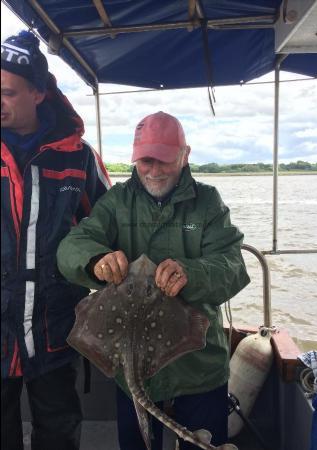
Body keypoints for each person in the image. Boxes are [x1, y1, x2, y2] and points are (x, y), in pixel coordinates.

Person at [57, 111, 250, 450]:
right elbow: (73, 245)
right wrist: (95, 261)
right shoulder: (117, 201)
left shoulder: (208, 203)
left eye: (164, 160)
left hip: (198, 363)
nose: (154, 170)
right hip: (129, 363)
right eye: (145, 160)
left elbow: (233, 264)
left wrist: (193, 272)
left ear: (185, 155)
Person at [1, 30, 111, 450]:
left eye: (8, 92)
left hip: (55, 329)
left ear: (39, 92)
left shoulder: (78, 157)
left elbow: (109, 227)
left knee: (60, 436)